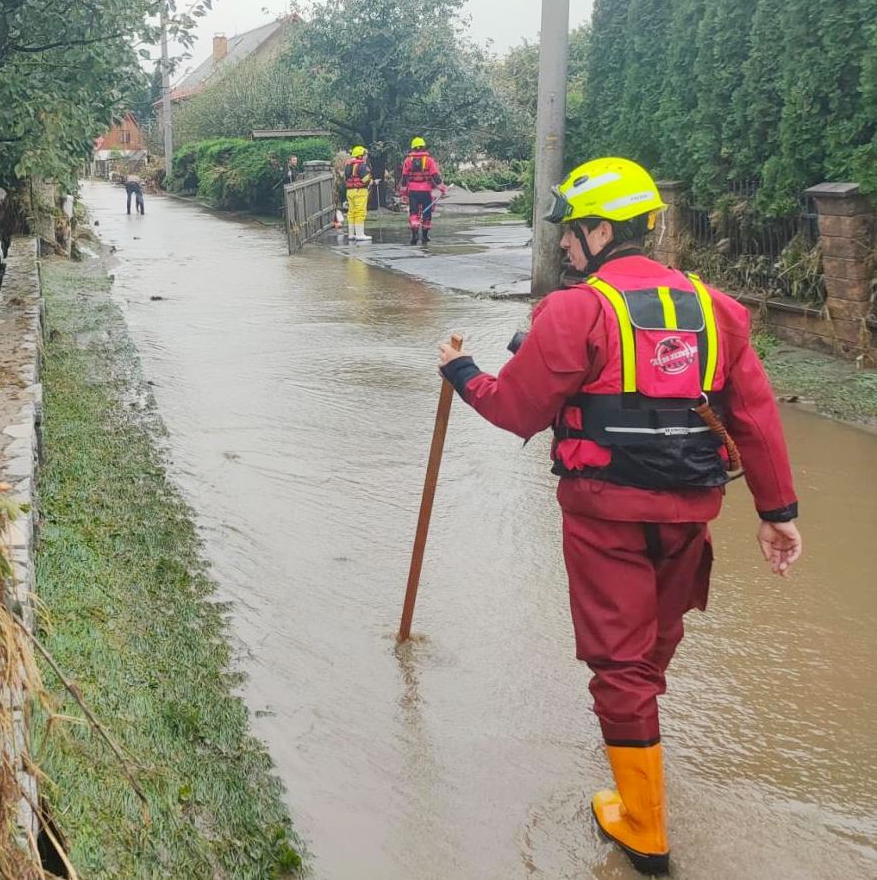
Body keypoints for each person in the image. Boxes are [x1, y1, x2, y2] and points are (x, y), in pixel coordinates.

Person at [435, 158, 802, 876]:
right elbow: (755, 416)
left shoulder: (574, 311)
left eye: (570, 232)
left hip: (605, 515)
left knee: (619, 661)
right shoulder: (717, 309)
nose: (564, 245)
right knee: (651, 647)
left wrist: (461, 371)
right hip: (688, 514)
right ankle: (639, 749)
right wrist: (777, 512)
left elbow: (516, 410)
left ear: (601, 231)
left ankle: (642, 825)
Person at [343, 146, 372, 242]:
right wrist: (372, 182)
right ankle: (360, 234)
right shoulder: (361, 166)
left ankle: (351, 234)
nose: (366, 157)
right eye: (365, 155)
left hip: (350, 191)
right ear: (360, 156)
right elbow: (366, 179)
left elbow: (346, 177)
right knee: (360, 212)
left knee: (351, 212)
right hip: (360, 191)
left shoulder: (348, 165)